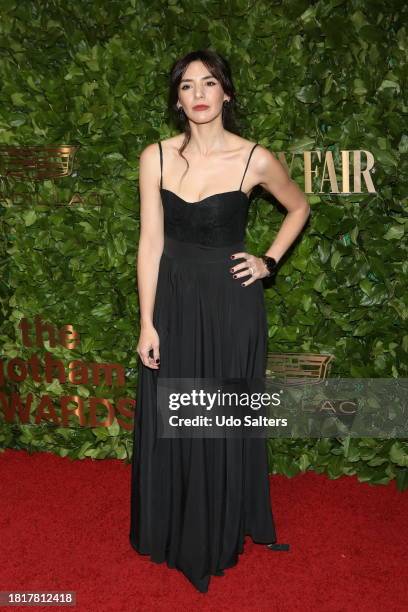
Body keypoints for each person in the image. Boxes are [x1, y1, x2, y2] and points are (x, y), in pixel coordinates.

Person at [129, 49, 311, 593]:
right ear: (177, 99)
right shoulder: (155, 157)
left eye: (209, 83)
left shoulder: (255, 157)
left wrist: (269, 261)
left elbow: (299, 208)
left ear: (226, 93)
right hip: (176, 303)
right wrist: (146, 321)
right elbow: (150, 244)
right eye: (187, 86)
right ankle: (173, 525)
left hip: (232, 305)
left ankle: (219, 526)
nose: (199, 94)